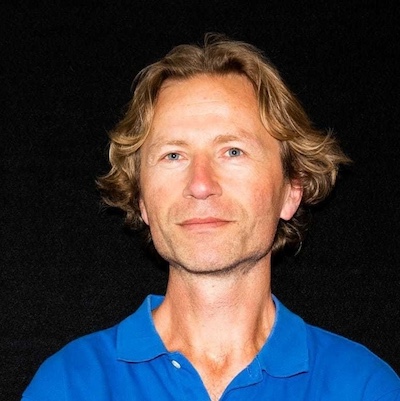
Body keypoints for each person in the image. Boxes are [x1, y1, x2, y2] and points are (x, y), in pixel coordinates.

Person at [22, 34, 399, 401]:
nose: (200, 185)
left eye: (232, 151)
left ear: (291, 191)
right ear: (142, 200)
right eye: (173, 155)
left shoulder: (364, 387)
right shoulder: (70, 385)